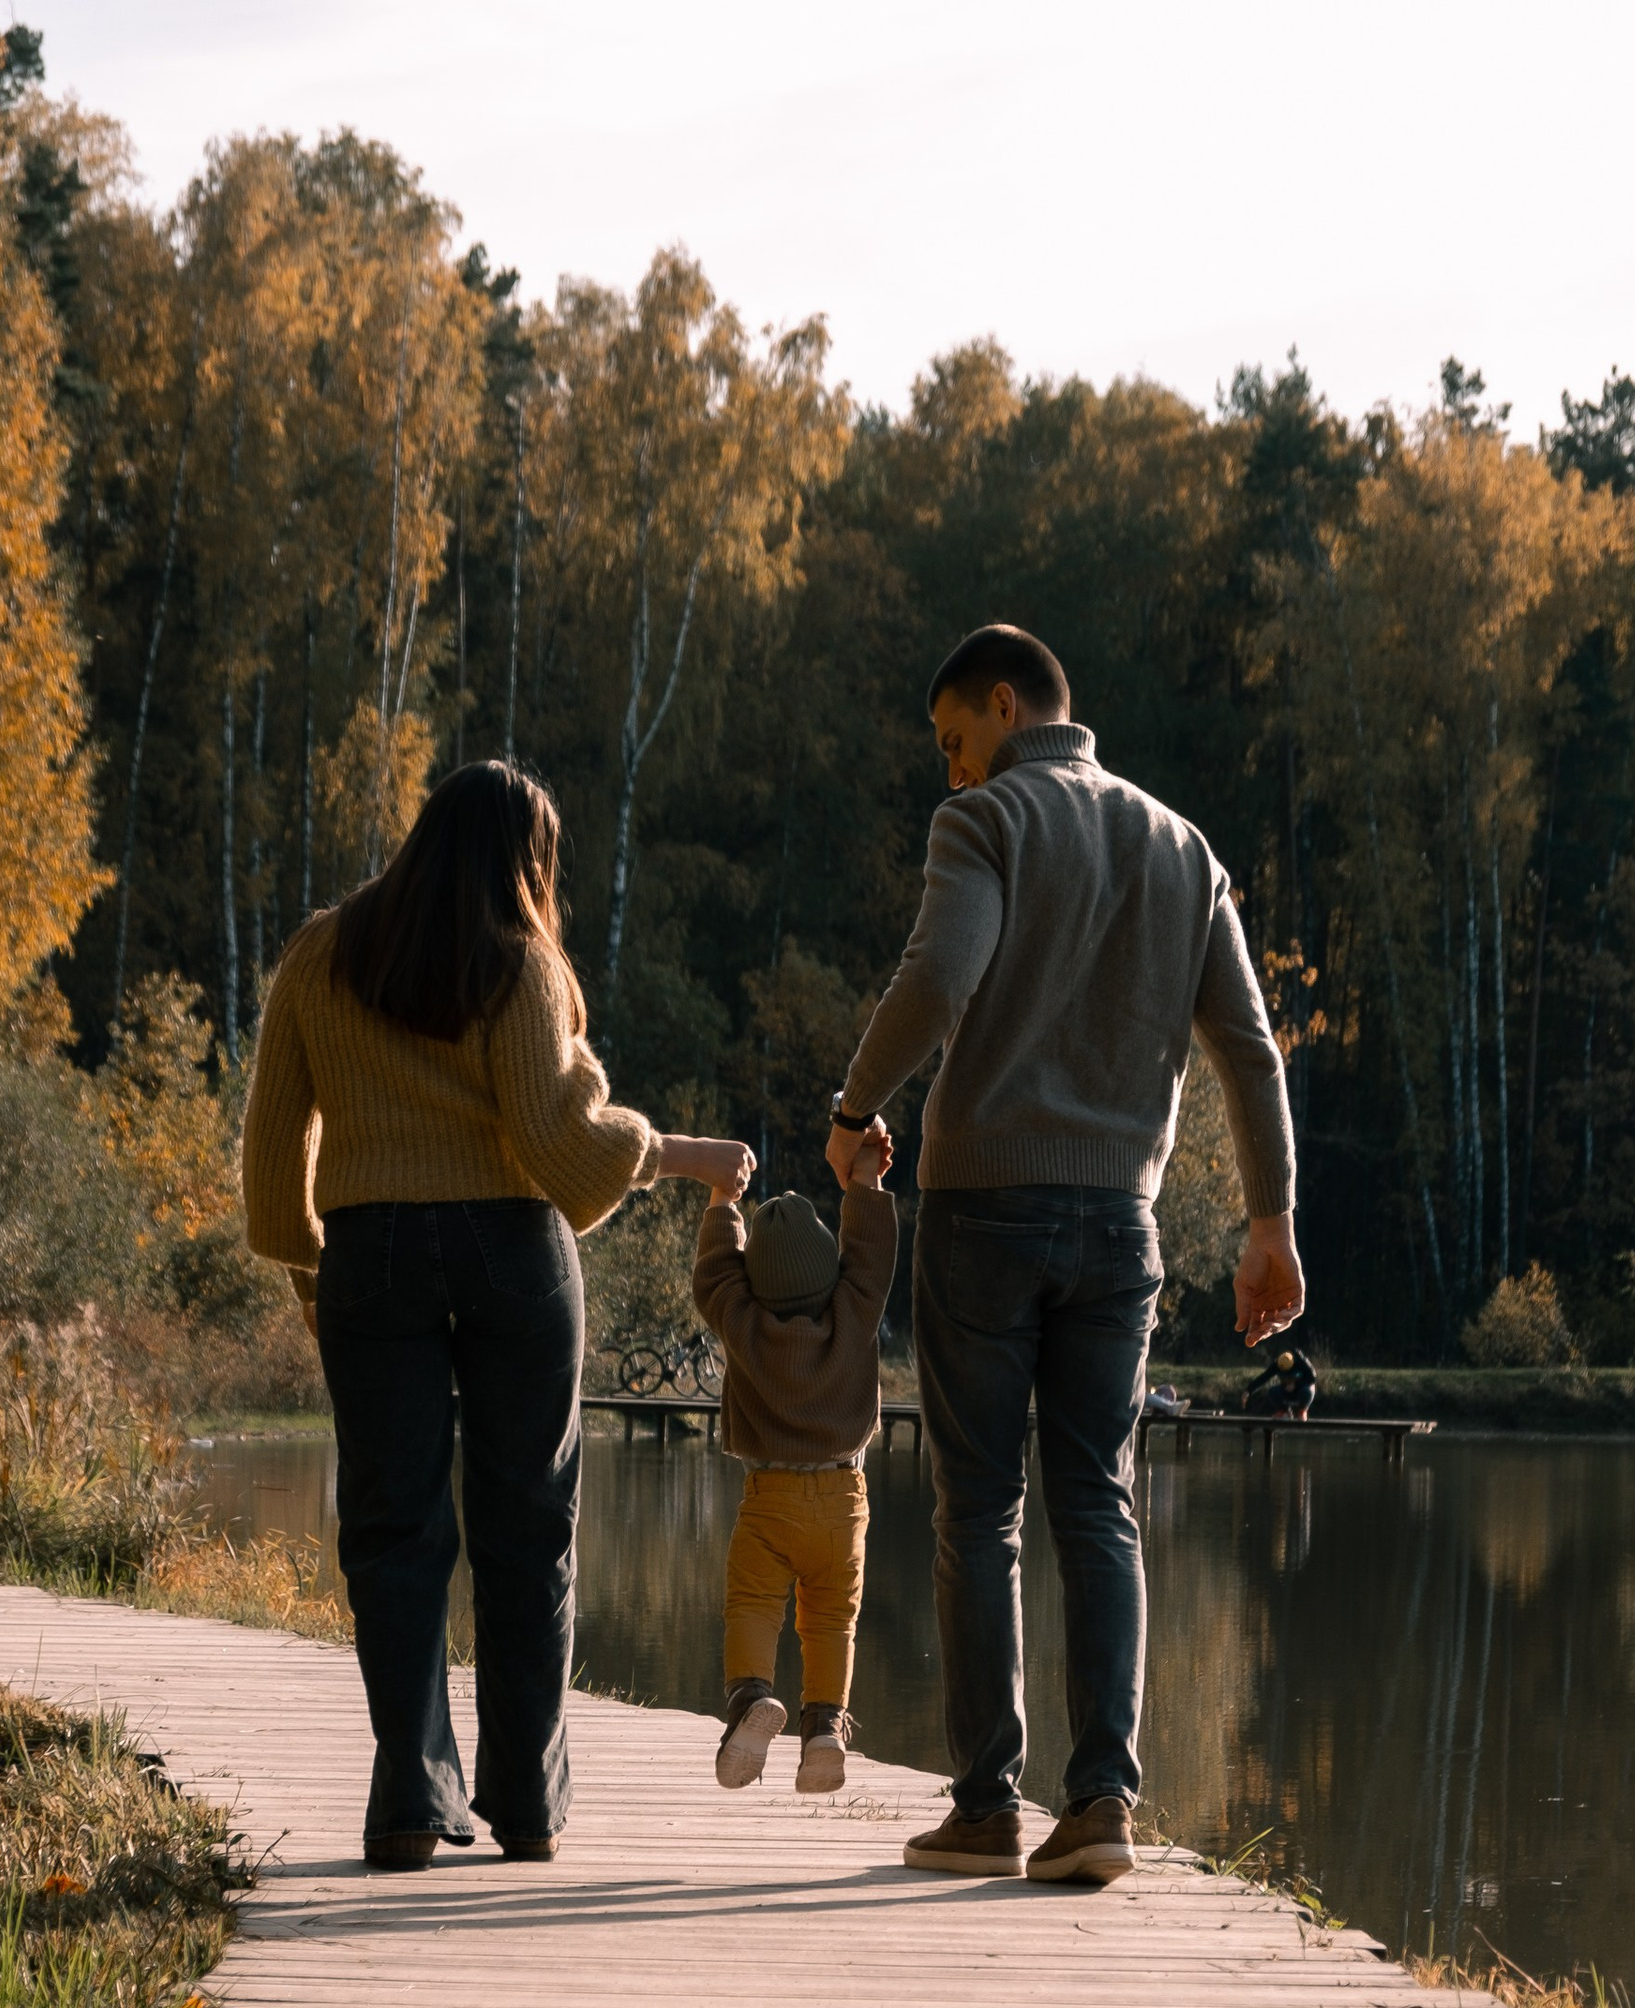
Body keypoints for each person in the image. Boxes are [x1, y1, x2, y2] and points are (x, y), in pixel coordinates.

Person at [827, 624, 1304, 1885]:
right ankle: (1100, 1803)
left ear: (1002, 706)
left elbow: (937, 977)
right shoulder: (1178, 844)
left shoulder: (986, 824)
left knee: (979, 1509)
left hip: (984, 1208)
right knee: (1099, 1499)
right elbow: (1248, 1050)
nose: (949, 772)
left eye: (952, 742)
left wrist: (851, 1107)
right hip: (1118, 1228)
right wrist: (1271, 1223)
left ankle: (985, 1803)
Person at [241, 761, 749, 1870]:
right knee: (529, 1531)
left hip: (370, 1252)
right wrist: (675, 1152)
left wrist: (309, 1264)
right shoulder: (518, 966)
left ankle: (410, 1801)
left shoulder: (320, 956)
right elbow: (564, 1153)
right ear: (523, 861)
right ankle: (524, 1804)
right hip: (513, 1252)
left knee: (392, 1531)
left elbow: (275, 1150)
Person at [689, 1130, 899, 1794]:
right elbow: (872, 1256)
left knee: (754, 1601)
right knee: (832, 1615)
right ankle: (824, 1730)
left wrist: (725, 1199)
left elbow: (716, 1273)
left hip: (769, 1498)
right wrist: (863, 1181)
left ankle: (752, 1698)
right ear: (827, 1273)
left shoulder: (743, 1320)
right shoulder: (852, 1311)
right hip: (843, 1498)